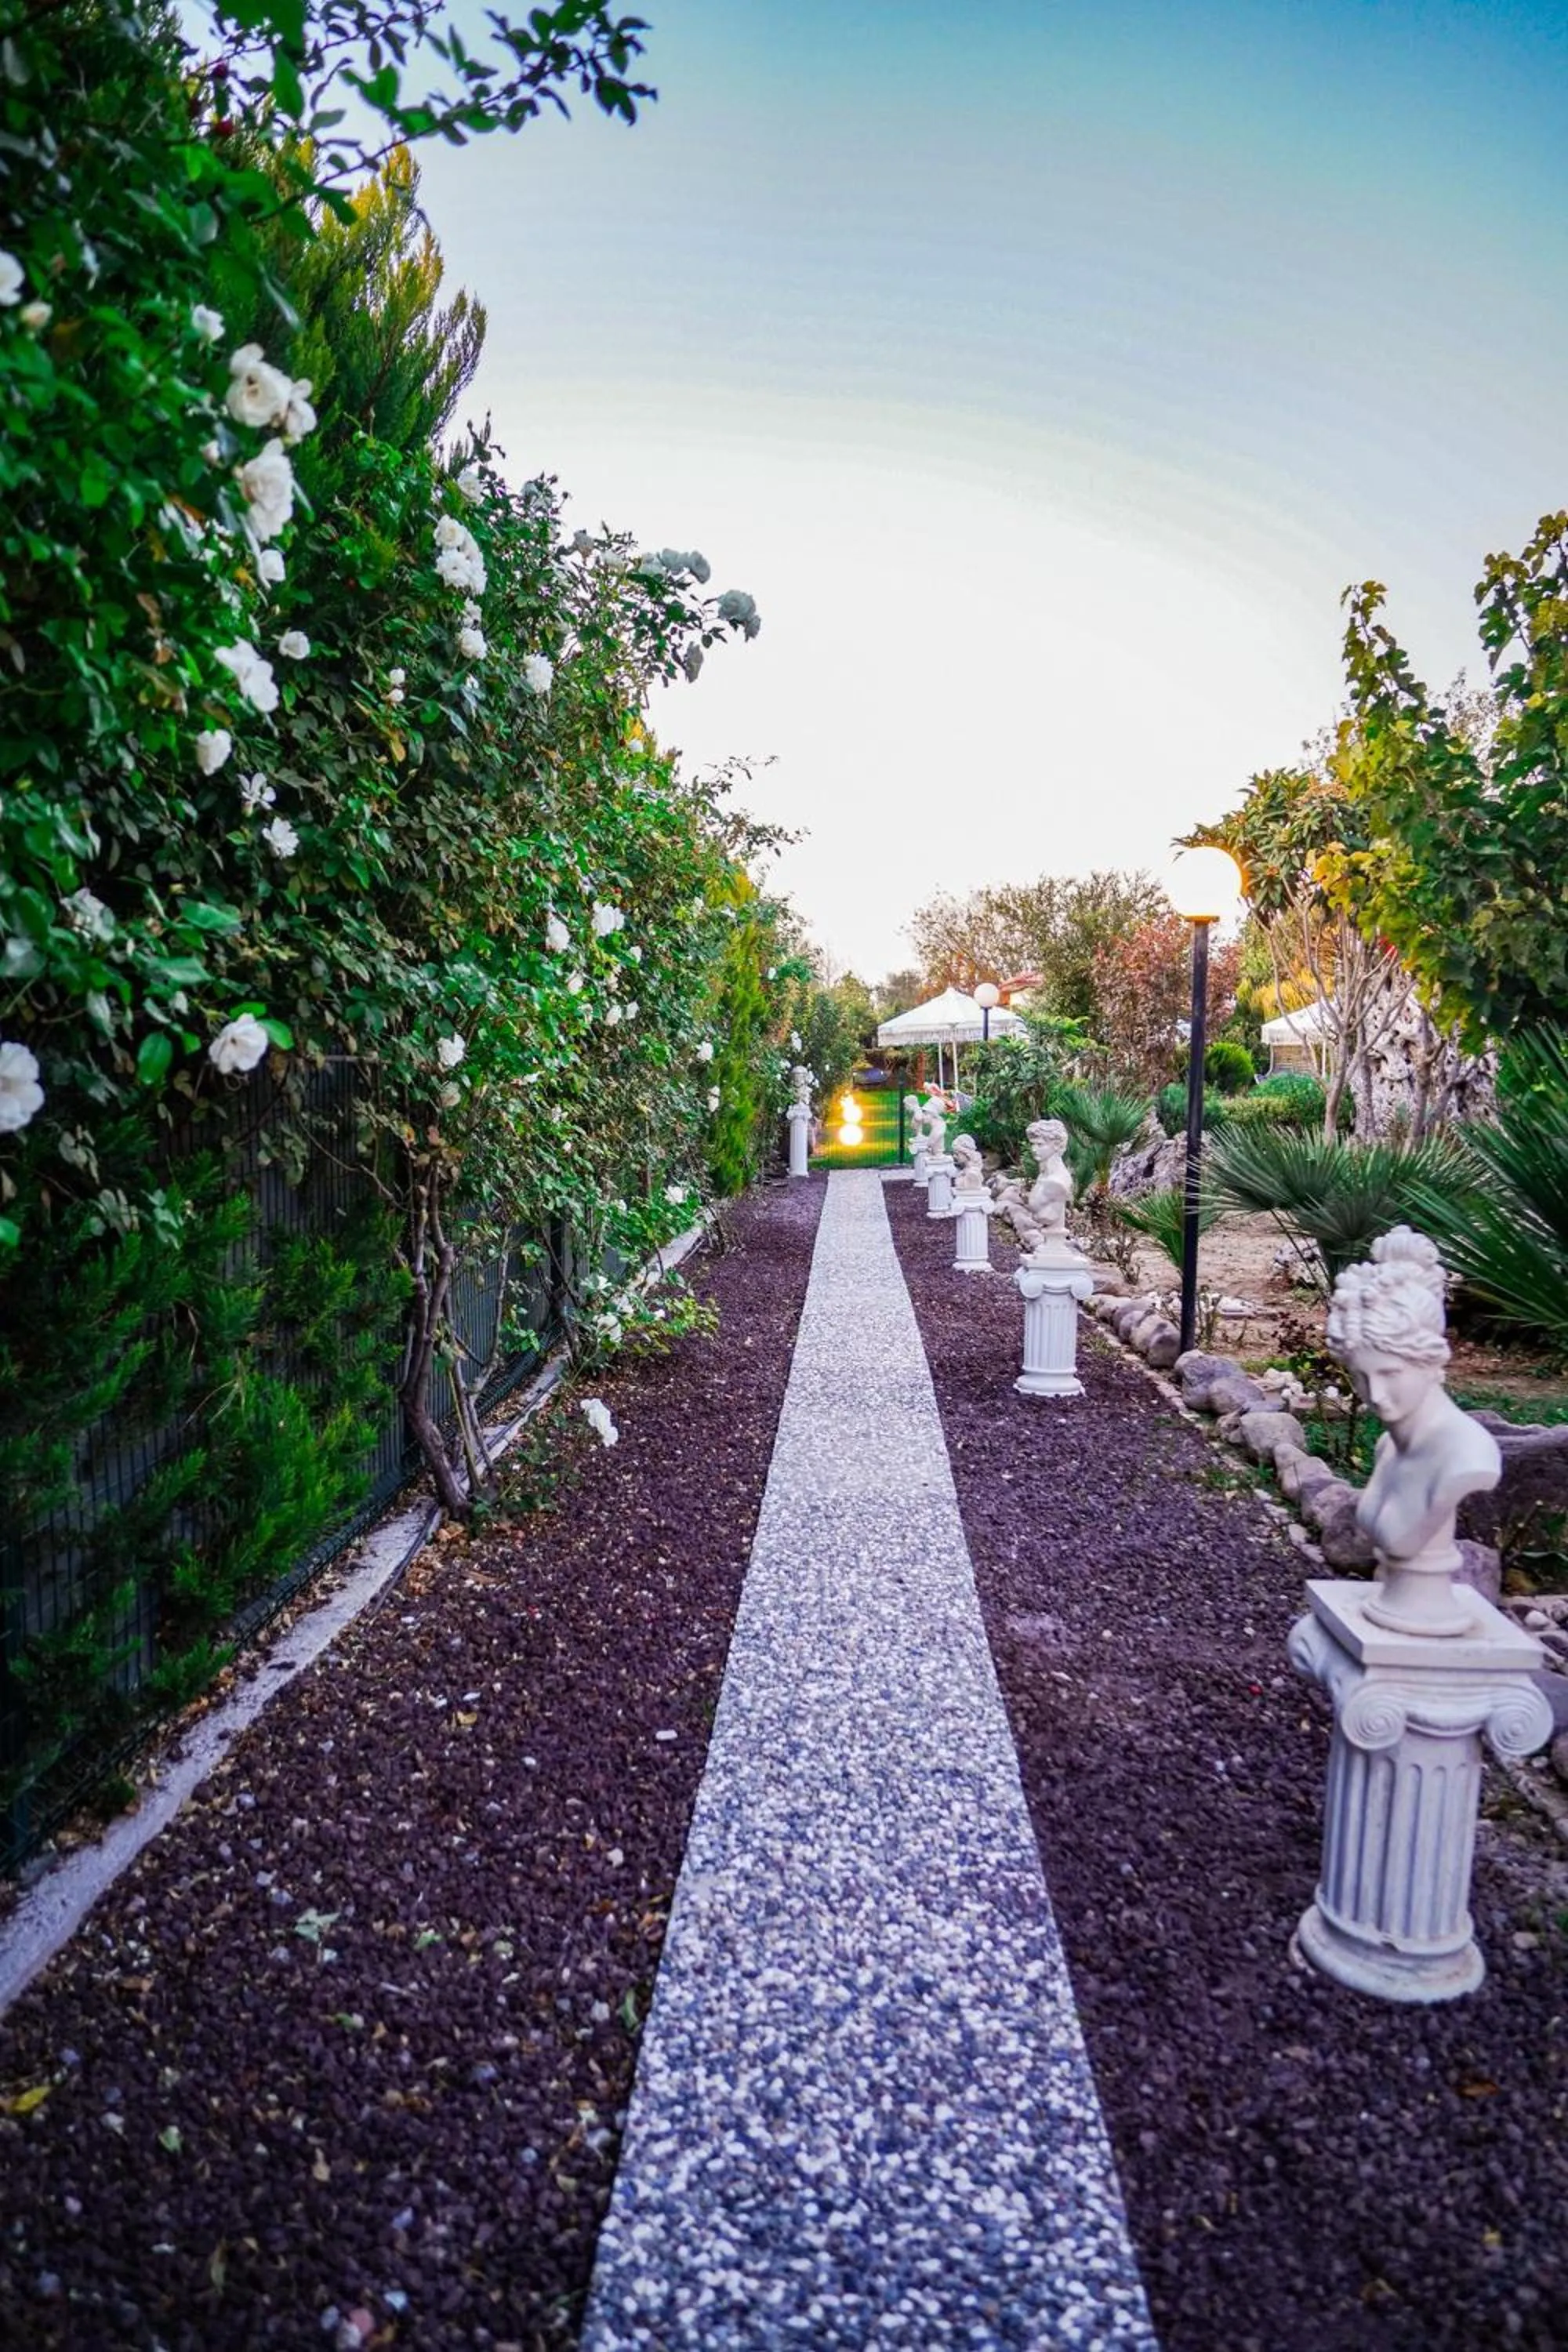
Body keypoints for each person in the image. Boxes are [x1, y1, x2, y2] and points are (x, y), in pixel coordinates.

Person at [1326, 1225, 1500, 1631]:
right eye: (1362, 1378)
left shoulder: (1466, 1455)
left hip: (1429, 1613)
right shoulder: (1389, 1446)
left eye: (1392, 1372)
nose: (1378, 1395)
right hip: (1390, 1602)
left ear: (1429, 1361)